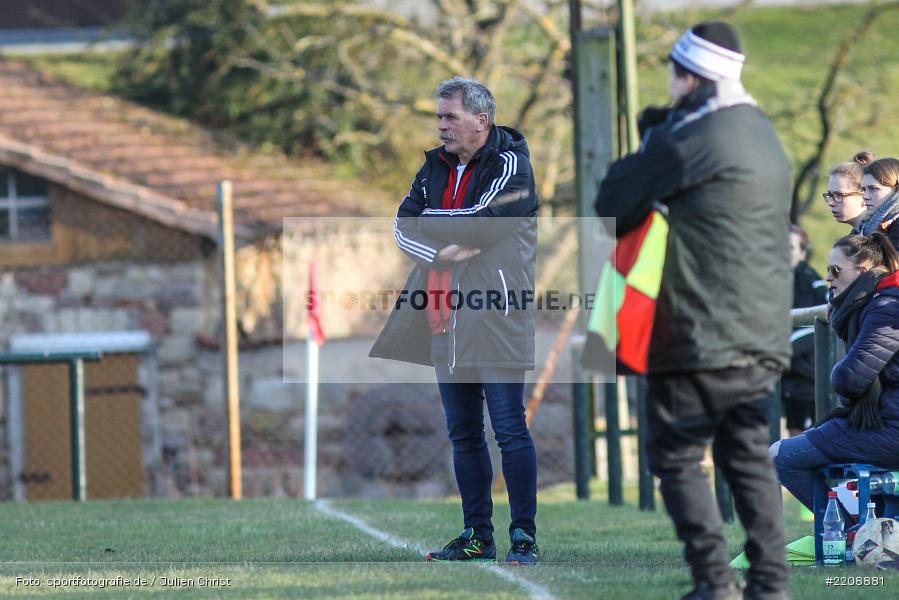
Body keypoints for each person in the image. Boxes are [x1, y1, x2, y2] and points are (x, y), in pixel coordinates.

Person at [594, 22, 791, 600]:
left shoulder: (690, 135)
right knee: (749, 458)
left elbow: (611, 203)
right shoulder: (761, 130)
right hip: (761, 329)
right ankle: (772, 587)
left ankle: (714, 583)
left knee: (676, 455)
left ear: (689, 76)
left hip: (699, 329)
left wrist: (655, 136)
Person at [369, 77, 541, 565]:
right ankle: (476, 536)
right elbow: (404, 225)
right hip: (444, 318)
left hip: (496, 316)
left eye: (450, 117)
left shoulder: (513, 164)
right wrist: (443, 253)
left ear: (481, 120)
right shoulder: (432, 168)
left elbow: (485, 222)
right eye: (439, 117)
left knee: (509, 428)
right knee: (463, 434)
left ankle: (523, 536)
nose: (441, 126)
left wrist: (447, 224)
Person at [772, 233, 899, 515]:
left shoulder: (885, 306)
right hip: (884, 422)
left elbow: (850, 379)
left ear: (862, 270)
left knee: (780, 457)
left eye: (835, 270)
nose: (828, 278)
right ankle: (868, 527)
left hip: (890, 427)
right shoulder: (873, 302)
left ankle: (855, 530)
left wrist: (836, 369)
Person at [782, 225, 828, 436]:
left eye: (790, 247)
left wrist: (782, 348)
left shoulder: (812, 282)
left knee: (807, 438)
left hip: (809, 378)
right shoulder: (776, 279)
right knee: (793, 433)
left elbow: (817, 325)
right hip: (789, 377)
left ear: (802, 251)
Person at [824, 152, 872, 232]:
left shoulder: (889, 237)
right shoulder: (856, 238)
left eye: (839, 195)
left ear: (864, 196)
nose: (830, 203)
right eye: (830, 195)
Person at [859, 157, 899, 248]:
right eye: (863, 189)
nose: (865, 196)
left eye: (873, 188)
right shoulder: (863, 227)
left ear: (896, 189)